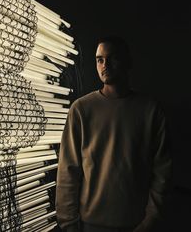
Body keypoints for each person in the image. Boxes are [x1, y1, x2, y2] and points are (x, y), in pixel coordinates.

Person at [55, 36, 173, 232]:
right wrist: (69, 224)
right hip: (90, 224)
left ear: (128, 62)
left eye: (112, 58)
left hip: (137, 224)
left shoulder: (150, 110)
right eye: (99, 59)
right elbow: (68, 170)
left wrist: (151, 220)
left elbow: (163, 172)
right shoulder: (81, 110)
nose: (105, 65)